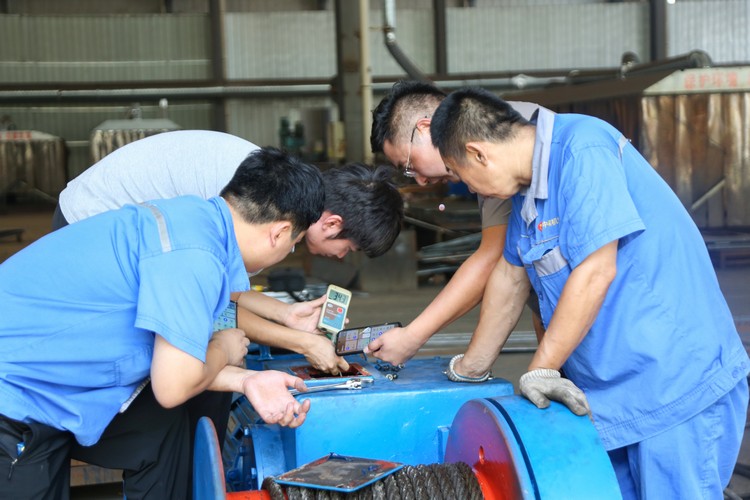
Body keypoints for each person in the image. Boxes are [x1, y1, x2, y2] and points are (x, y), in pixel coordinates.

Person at [429, 86, 750, 498]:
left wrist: (541, 369)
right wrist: (471, 368)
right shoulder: (527, 196)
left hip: (674, 386)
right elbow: (510, 277)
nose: (471, 189)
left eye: (459, 175)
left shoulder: (584, 147)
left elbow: (597, 269)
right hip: (611, 400)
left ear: (478, 153)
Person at [0, 147, 321, 499]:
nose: (287, 253)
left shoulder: (195, 222)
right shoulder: (195, 257)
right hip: (18, 395)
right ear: (280, 232)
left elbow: (176, 364)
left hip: (59, 378)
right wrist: (224, 347)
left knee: (160, 433)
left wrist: (248, 381)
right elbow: (173, 387)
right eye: (295, 244)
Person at [54, 130, 404, 376]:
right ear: (331, 224)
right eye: (349, 247)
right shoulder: (260, 199)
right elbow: (213, 304)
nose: (342, 256)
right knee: (167, 366)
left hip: (117, 229)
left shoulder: (286, 198)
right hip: (90, 227)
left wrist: (285, 314)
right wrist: (300, 342)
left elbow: (227, 289)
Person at [367, 80, 542, 366]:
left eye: (409, 166)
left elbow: (491, 260)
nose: (421, 180)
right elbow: (517, 267)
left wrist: (413, 336)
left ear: (424, 128)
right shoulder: (495, 140)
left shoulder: (497, 144)